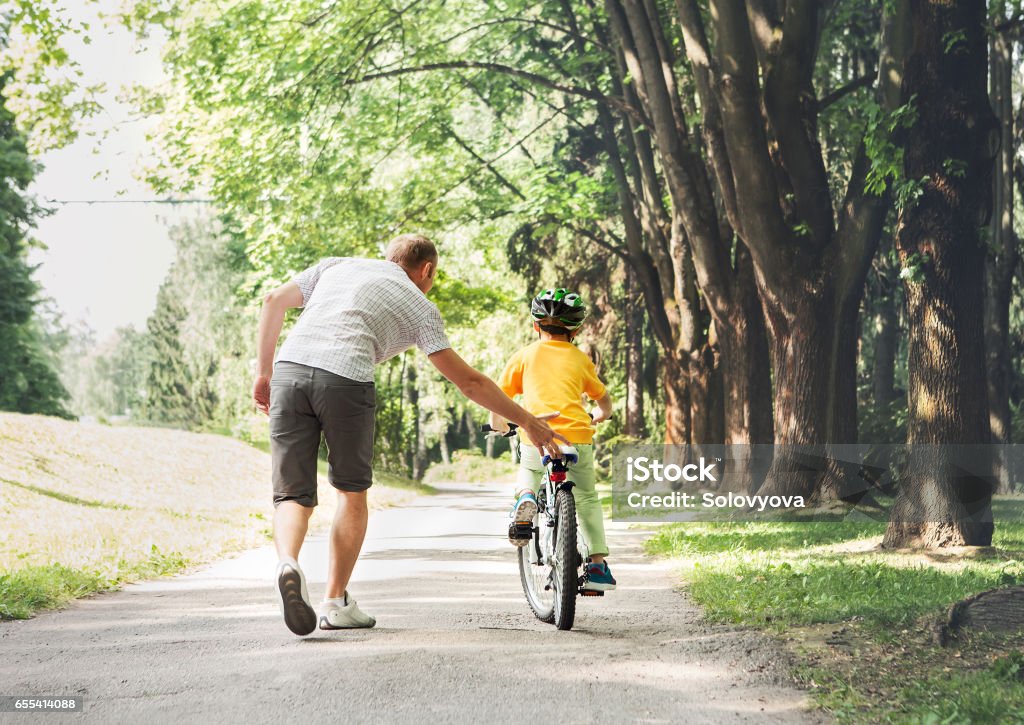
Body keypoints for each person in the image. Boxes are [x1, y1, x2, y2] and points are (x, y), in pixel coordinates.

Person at [253, 234, 568, 636]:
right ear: (427, 270)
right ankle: (335, 601)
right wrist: (528, 419)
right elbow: (470, 383)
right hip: (346, 379)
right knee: (351, 493)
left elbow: (273, 301)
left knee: (292, 495)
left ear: (389, 258)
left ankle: (288, 562)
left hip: (291, 370)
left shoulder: (337, 265)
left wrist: (264, 373)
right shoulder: (419, 304)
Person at [489, 288, 617, 591]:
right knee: (586, 496)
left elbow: (499, 398)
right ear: (576, 329)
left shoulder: (524, 356)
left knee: (530, 470)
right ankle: (597, 566)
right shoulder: (581, 360)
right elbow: (603, 398)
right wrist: (602, 414)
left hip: (536, 435)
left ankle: (526, 499)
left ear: (536, 325)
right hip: (577, 438)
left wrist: (499, 425)